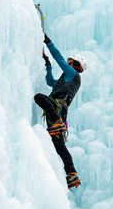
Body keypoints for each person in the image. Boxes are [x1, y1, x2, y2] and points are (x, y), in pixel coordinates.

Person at [34, 33, 87, 189]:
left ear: (75, 64)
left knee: (39, 97)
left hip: (57, 109)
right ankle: (72, 174)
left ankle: (57, 122)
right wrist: (48, 65)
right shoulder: (65, 80)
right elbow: (51, 81)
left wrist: (48, 42)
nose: (68, 63)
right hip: (59, 112)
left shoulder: (72, 74)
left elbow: (59, 58)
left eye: (70, 62)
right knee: (59, 147)